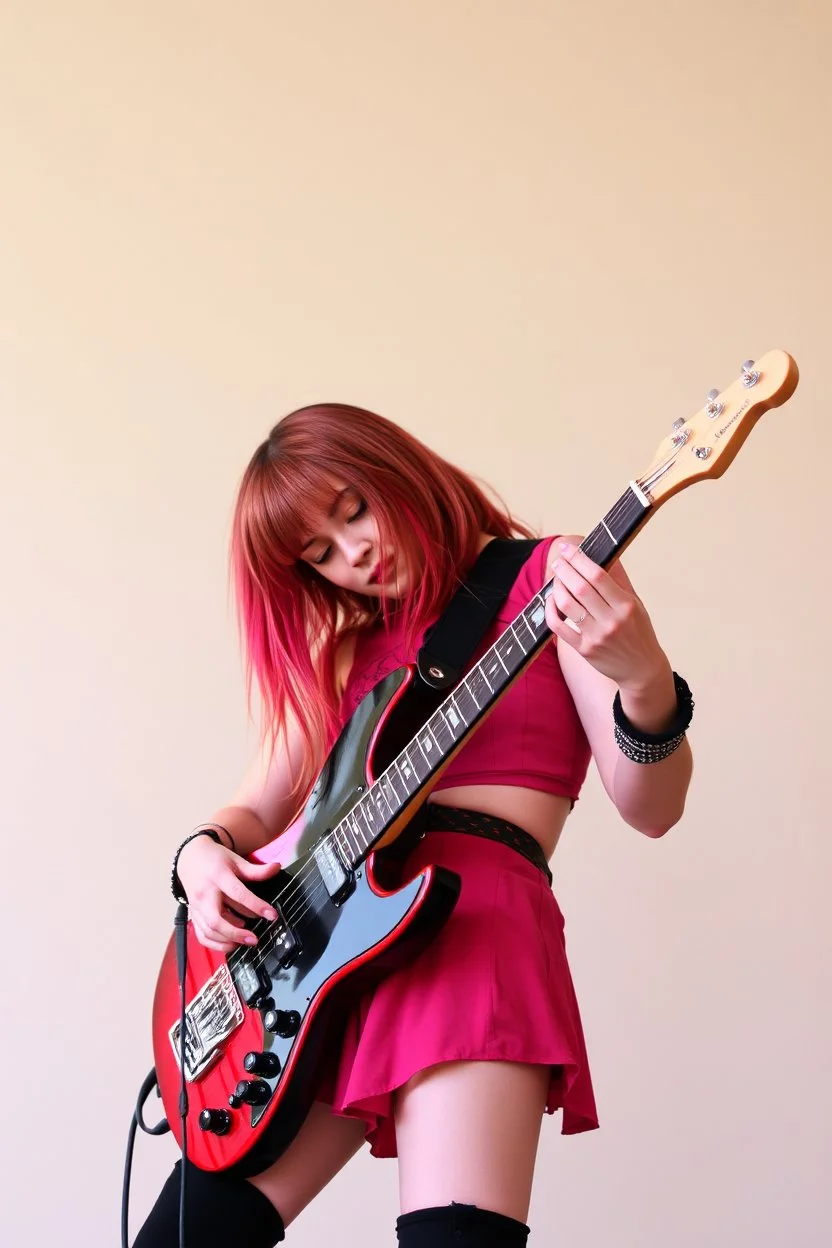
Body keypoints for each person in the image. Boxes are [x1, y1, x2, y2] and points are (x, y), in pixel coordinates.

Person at [134, 402, 693, 1247]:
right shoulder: (344, 658)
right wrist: (199, 857)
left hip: (470, 933)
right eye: (319, 553)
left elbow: (650, 807)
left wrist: (646, 682)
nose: (352, 554)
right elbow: (250, 810)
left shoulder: (551, 578)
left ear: (398, 466)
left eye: (353, 509)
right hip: (323, 958)